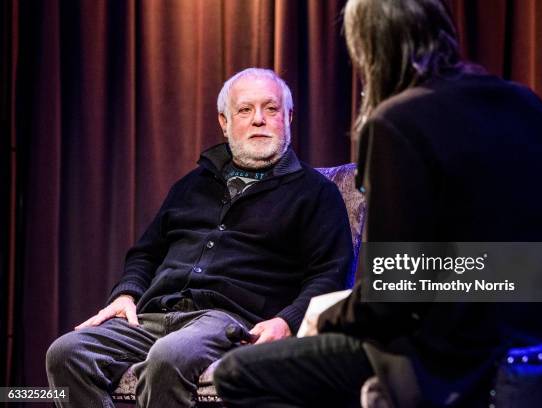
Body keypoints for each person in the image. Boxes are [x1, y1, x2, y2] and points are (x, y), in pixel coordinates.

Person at [213, 1, 542, 407]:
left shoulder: (398, 120)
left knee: (238, 373)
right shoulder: (524, 102)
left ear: (369, 48)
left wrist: (325, 320)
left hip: (462, 357)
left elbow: (394, 297)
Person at [45, 67, 354, 408]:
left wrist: (287, 320)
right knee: (66, 353)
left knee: (168, 357)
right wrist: (126, 294)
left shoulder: (315, 193)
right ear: (224, 122)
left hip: (228, 320)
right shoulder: (191, 185)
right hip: (154, 316)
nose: (258, 120)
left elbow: (328, 274)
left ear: (289, 117)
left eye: (271, 109)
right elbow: (145, 253)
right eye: (245, 110)